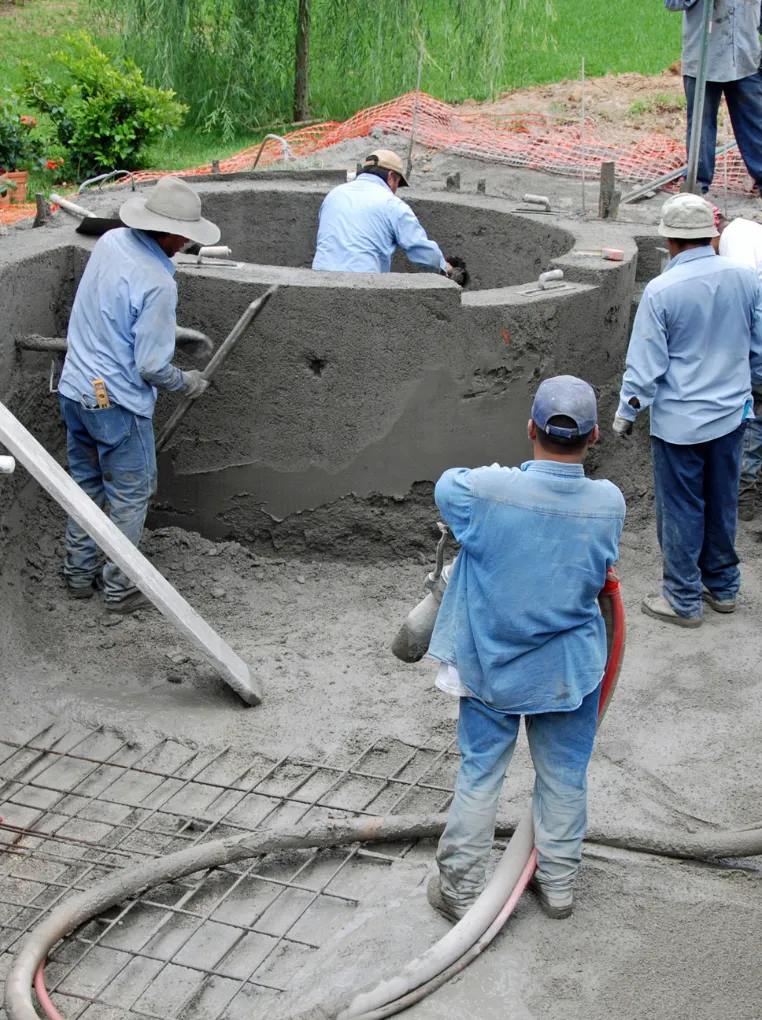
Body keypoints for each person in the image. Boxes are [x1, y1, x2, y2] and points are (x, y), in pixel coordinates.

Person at [426, 376, 625, 923]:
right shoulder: (608, 503)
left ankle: (462, 891)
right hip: (568, 673)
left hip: (491, 666)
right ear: (595, 437)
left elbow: (449, 484)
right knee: (564, 777)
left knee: (480, 773)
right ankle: (558, 887)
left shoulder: (485, 494)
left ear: (531, 428)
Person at [58, 176, 220, 613]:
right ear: (166, 232)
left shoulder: (111, 242)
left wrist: (170, 333)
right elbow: (149, 367)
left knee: (86, 485)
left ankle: (77, 574)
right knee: (131, 495)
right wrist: (184, 381)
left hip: (76, 388)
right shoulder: (159, 282)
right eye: (183, 235)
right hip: (114, 404)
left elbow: (112, 312)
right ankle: (121, 588)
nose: (186, 242)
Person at [614, 194, 762, 626]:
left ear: (671, 241)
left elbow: (645, 366)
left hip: (680, 425)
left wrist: (627, 412)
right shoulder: (746, 278)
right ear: (710, 237)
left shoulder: (662, 291)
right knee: (722, 502)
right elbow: (757, 348)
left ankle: (682, 598)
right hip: (733, 416)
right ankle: (723, 588)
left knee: (681, 507)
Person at [664, 0, 762, 195]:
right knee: (701, 128)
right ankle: (697, 187)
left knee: (755, 125)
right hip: (703, 62)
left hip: (746, 61)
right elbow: (671, 3)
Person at [312, 149, 453, 276]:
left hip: (319, 284)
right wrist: (446, 268)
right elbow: (422, 250)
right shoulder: (392, 204)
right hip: (361, 287)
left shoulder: (334, 195)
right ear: (391, 177)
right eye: (398, 183)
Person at [713, 210, 762, 519]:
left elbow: (744, 301)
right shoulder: (750, 231)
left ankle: (743, 497)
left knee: (751, 414)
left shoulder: (735, 240)